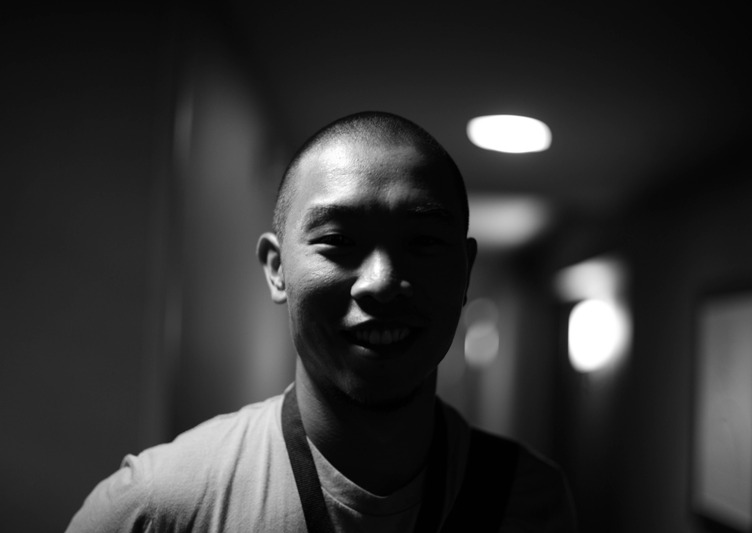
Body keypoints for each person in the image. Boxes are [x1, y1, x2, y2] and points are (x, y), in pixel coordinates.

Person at [66, 111, 577, 532]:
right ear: (277, 269)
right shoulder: (161, 506)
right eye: (338, 240)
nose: (381, 282)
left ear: (465, 271)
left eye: (422, 242)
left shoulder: (529, 498)